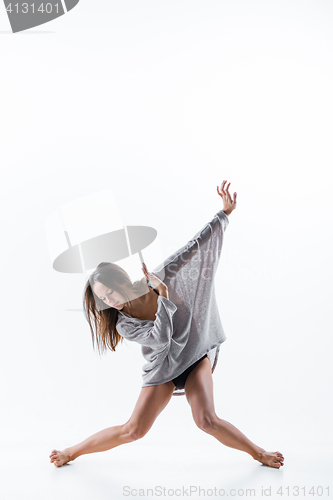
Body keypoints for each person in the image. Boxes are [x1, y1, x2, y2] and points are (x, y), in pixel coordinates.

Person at [50, 180, 284, 469]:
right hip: (164, 365)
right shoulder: (124, 323)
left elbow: (193, 249)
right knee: (133, 430)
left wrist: (223, 214)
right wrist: (164, 298)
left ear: (121, 281)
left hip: (195, 353)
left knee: (207, 420)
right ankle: (72, 452)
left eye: (109, 292)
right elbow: (161, 338)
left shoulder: (156, 277)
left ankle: (260, 454)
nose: (109, 301)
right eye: (102, 299)